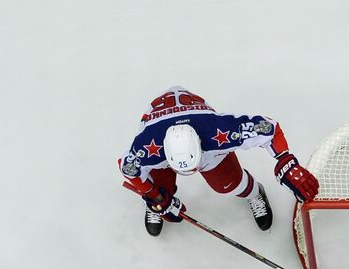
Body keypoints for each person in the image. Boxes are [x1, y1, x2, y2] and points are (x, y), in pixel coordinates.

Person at [119, 86, 318, 237]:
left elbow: (269, 129)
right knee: (160, 188)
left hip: (203, 137)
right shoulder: (146, 149)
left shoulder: (218, 131)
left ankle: (255, 193)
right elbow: (128, 170)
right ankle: (157, 201)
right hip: (161, 147)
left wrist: (285, 160)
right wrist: (154, 197)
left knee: (229, 185)